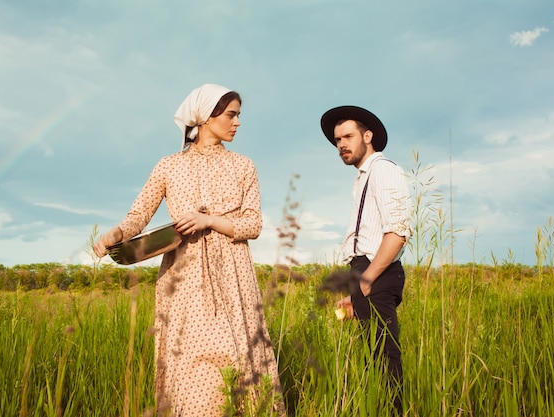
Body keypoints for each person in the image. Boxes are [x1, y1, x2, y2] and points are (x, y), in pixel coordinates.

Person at [93, 84, 285, 416]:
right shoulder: (168, 166)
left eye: (238, 115)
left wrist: (208, 221)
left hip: (233, 273)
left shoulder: (243, 165)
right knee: (192, 358)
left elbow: (252, 224)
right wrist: (117, 233)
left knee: (238, 353)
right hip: (185, 276)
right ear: (205, 116)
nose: (237, 122)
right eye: (231, 115)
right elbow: (139, 215)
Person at [320, 105, 411, 416]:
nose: (341, 145)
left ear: (368, 136)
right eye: (336, 140)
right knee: (374, 357)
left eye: (348, 136)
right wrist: (354, 292)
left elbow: (398, 231)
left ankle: (393, 412)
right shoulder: (363, 176)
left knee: (385, 359)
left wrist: (369, 279)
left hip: (379, 271)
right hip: (368, 271)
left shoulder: (384, 169)